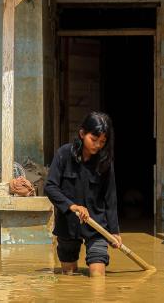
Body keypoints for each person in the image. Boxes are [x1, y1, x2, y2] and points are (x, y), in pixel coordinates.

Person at [44, 111, 121, 277]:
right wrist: (72, 206)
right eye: (94, 140)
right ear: (82, 133)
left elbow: (110, 198)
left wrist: (114, 231)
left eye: (102, 142)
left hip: (97, 226)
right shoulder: (64, 154)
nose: (97, 145)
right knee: (69, 275)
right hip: (68, 225)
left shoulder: (105, 161)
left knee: (98, 276)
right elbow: (50, 186)